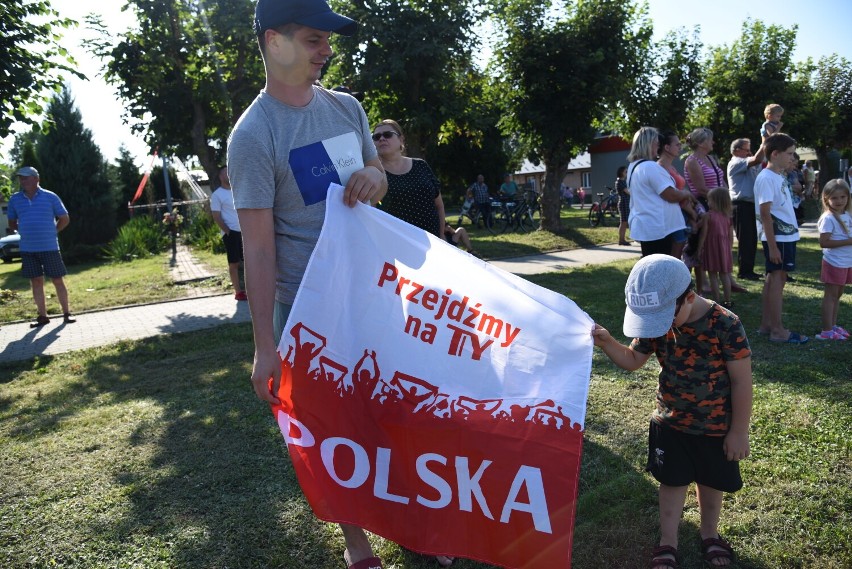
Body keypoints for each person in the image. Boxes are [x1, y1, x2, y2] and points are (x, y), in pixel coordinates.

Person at [226, 1, 389, 568]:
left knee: (392, 414)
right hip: (308, 310)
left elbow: (377, 179)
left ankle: (414, 521)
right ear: (275, 42)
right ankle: (358, 542)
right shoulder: (254, 134)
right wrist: (265, 348)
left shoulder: (347, 108)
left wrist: (373, 175)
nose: (327, 51)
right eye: (315, 39)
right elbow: (260, 247)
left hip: (375, 295)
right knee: (335, 429)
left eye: (327, 41)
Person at [592, 254, 752, 569]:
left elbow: (741, 382)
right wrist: (607, 341)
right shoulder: (658, 319)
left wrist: (737, 431)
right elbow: (632, 360)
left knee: (710, 483)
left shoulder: (726, 324)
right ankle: (668, 541)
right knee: (672, 483)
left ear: (689, 298)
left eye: (664, 317)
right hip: (670, 423)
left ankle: (709, 534)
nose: (657, 326)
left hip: (715, 427)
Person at [754, 133, 808, 344]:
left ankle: (767, 325)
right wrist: (774, 246)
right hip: (780, 238)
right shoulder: (767, 177)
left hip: (785, 237)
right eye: (789, 154)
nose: (792, 158)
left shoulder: (778, 175)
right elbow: (765, 214)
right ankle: (777, 330)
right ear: (775, 154)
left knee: (774, 279)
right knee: (778, 280)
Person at [6, 166, 76, 328]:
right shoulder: (15, 199)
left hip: (50, 247)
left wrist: (53, 232)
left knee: (57, 280)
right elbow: (11, 222)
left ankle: (67, 313)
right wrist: (24, 231)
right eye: (21, 178)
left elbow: (64, 218)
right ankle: (42, 316)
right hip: (28, 249)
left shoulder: (50, 197)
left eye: (26, 177)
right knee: (36, 281)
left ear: (36, 179)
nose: (22, 181)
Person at [625, 127, 693, 257]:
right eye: (656, 143)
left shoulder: (634, 166)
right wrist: (686, 193)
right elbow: (671, 195)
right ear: (649, 144)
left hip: (649, 227)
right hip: (658, 229)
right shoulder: (650, 167)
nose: (658, 146)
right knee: (661, 270)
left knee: (653, 268)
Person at [373, 119, 446, 238]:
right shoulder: (375, 172)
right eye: (376, 137)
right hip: (400, 246)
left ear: (401, 139)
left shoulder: (421, 165)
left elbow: (439, 205)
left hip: (433, 243)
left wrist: (442, 236)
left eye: (387, 134)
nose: (381, 139)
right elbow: (374, 214)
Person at [815, 179, 852, 340]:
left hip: (846, 262)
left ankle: (833, 325)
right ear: (826, 199)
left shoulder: (847, 215)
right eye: (835, 198)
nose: (839, 201)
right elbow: (824, 242)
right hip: (834, 262)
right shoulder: (828, 218)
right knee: (830, 296)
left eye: (843, 197)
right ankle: (826, 331)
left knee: (838, 295)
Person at [727, 138, 765, 281]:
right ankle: (744, 271)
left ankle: (749, 269)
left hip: (749, 205)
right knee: (745, 239)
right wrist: (764, 141)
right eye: (746, 149)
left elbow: (759, 161)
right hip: (740, 204)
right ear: (737, 151)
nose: (749, 152)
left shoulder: (745, 162)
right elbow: (756, 159)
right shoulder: (736, 162)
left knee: (751, 238)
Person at [209, 166, 247, 301]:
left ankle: (249, 289)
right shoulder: (217, 195)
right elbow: (216, 216)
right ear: (220, 176)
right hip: (231, 233)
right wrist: (228, 231)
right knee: (234, 263)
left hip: (244, 231)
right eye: (225, 172)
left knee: (249, 262)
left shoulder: (237, 191)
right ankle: (238, 291)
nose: (228, 175)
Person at [656, 130, 688, 257]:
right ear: (666, 147)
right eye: (677, 144)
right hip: (671, 216)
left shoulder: (671, 166)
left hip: (680, 213)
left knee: (680, 250)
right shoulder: (660, 168)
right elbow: (671, 194)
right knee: (673, 254)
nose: (680, 147)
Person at [703, 188, 735, 308]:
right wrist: (729, 249)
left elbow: (704, 234)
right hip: (724, 248)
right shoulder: (728, 217)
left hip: (711, 248)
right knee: (724, 274)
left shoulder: (708, 216)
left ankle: (716, 301)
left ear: (716, 201)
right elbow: (730, 236)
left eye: (709, 200)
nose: (708, 203)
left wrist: (700, 248)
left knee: (712, 275)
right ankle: (727, 300)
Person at [615, 165, 631, 245]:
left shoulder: (623, 181)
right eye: (626, 171)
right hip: (623, 203)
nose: (627, 173)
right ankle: (621, 240)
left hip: (625, 203)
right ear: (621, 172)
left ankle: (622, 239)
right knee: (624, 222)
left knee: (624, 222)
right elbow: (627, 192)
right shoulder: (620, 182)